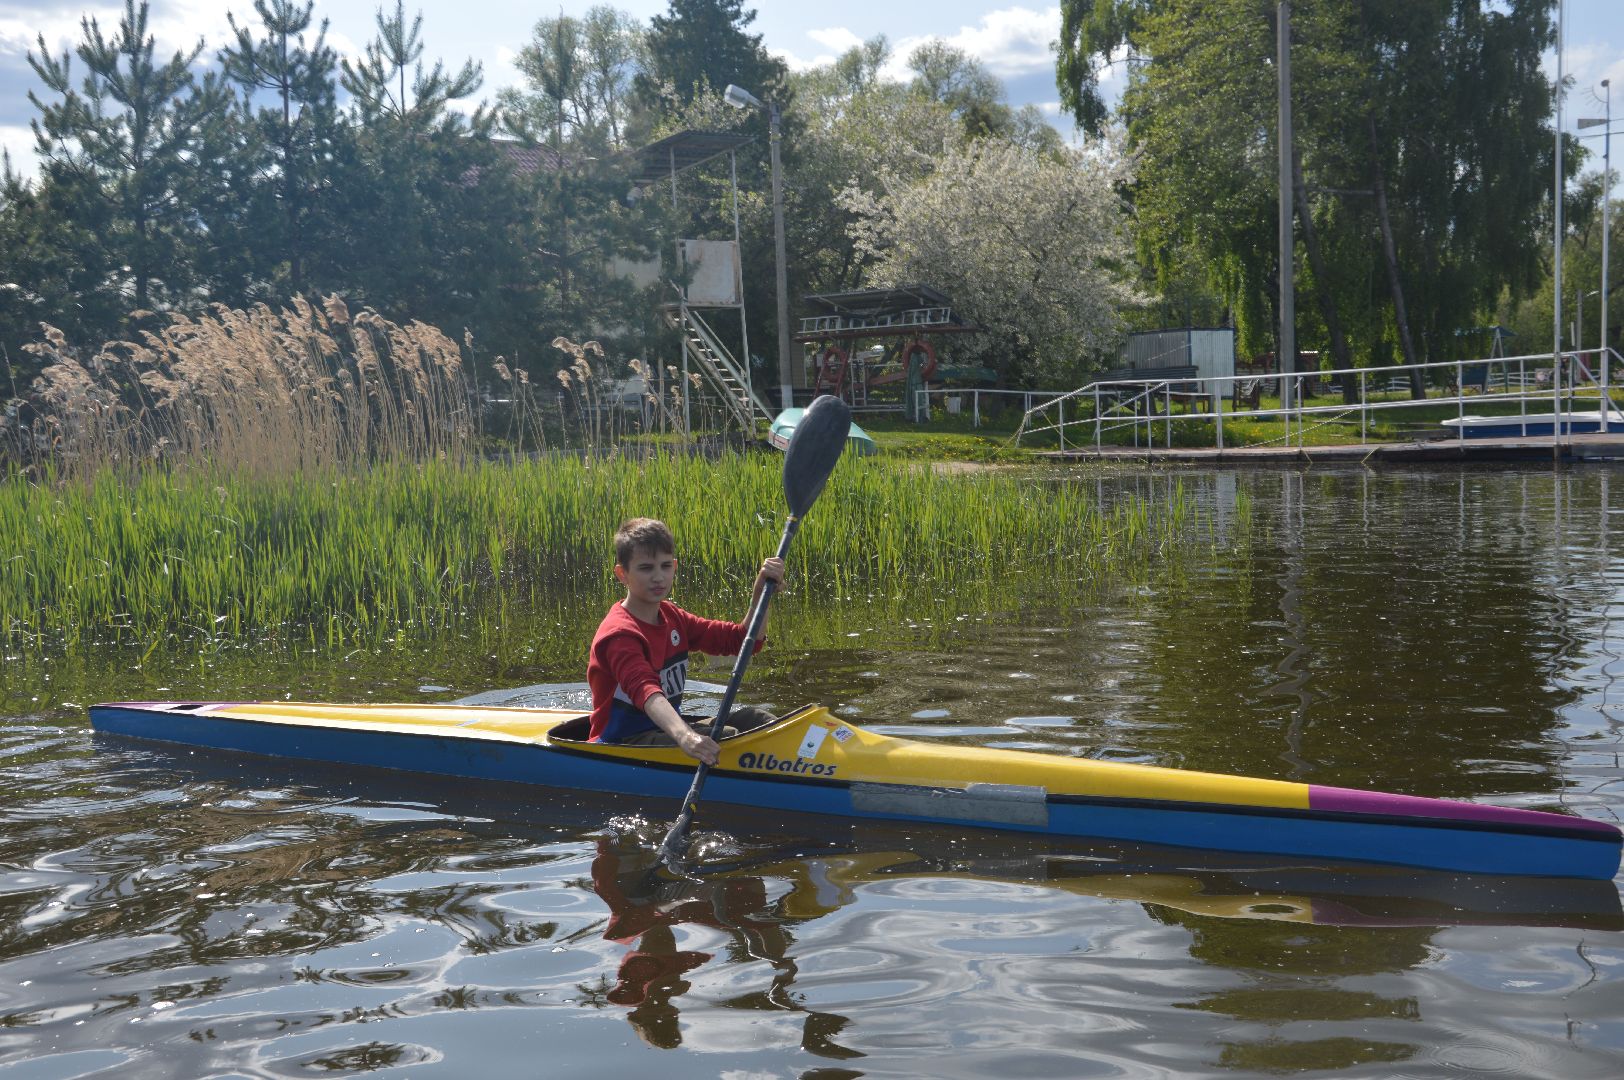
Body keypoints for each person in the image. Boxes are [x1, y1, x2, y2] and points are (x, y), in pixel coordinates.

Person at [587, 517, 784, 764]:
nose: (658, 577)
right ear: (622, 574)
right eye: (646, 568)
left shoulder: (673, 617)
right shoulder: (619, 634)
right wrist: (686, 736)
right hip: (622, 742)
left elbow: (744, 641)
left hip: (664, 731)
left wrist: (760, 596)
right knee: (728, 738)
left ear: (675, 567)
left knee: (757, 720)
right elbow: (646, 691)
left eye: (665, 566)